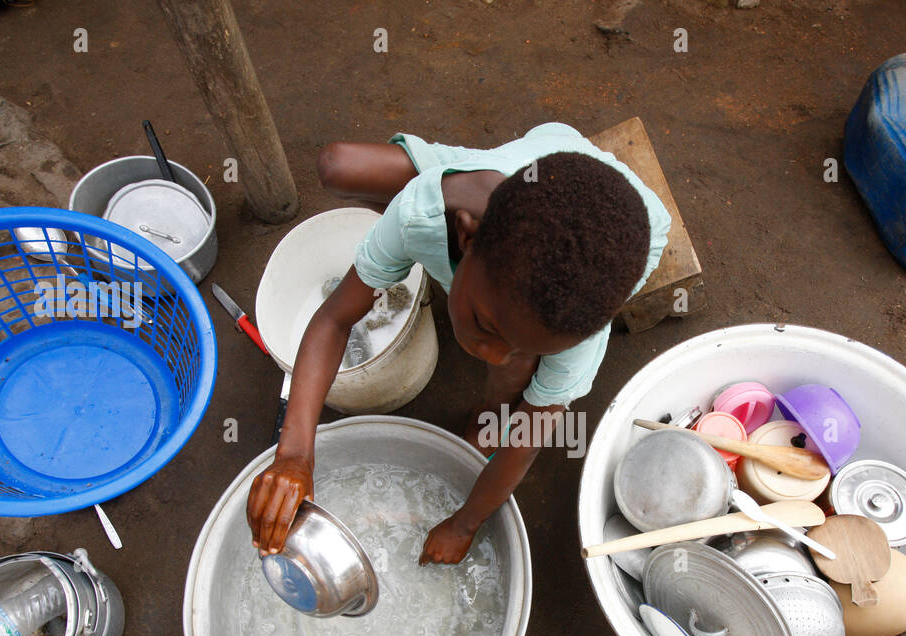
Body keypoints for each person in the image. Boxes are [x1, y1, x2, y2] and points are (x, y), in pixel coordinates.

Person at [246, 122, 671, 564]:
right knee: (336, 166)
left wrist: (465, 523)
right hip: (544, 157)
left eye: (515, 343)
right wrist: (295, 454)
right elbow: (334, 319)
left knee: (514, 377)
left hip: (638, 220)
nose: (486, 354)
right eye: (486, 325)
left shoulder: (574, 323)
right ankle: (412, 256)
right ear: (467, 237)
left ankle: (490, 414)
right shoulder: (423, 211)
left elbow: (525, 439)